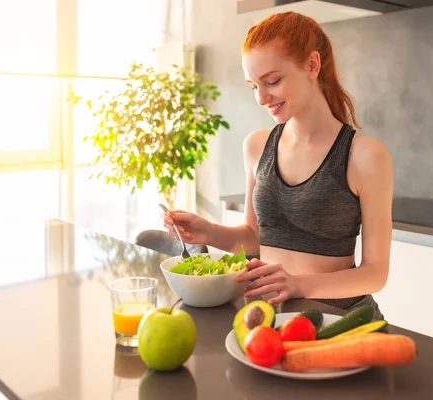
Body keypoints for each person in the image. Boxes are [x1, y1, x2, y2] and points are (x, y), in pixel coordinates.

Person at [162, 11, 393, 318]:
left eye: (272, 81)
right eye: (253, 85)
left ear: (312, 65)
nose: (261, 98)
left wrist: (299, 285)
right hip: (267, 317)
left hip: (340, 322)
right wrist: (209, 233)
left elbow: (375, 274)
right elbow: (255, 237)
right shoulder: (257, 146)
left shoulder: (365, 156)